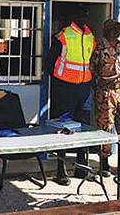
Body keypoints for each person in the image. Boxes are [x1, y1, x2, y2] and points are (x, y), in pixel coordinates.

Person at [45, 13, 96, 186]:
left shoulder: (90, 36)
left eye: (86, 16)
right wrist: (59, 78)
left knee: (83, 126)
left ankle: (81, 166)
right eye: (82, 15)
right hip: (65, 87)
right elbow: (50, 61)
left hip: (84, 87)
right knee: (63, 128)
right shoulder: (64, 35)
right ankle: (61, 170)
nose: (85, 18)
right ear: (74, 18)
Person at [90, 19, 120, 176]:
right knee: (105, 128)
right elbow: (92, 70)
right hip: (105, 92)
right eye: (112, 29)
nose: (115, 32)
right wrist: (99, 86)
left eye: (117, 29)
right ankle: (104, 164)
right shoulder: (99, 49)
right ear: (106, 32)